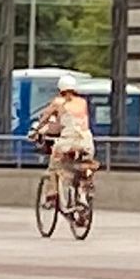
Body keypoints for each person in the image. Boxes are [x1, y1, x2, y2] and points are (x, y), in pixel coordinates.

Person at [30, 74, 97, 205]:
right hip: (87, 141)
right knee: (84, 166)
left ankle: (52, 194)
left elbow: (45, 116)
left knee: (55, 164)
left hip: (68, 141)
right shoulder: (82, 102)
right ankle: (83, 194)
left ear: (61, 89)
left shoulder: (58, 102)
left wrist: (36, 130)